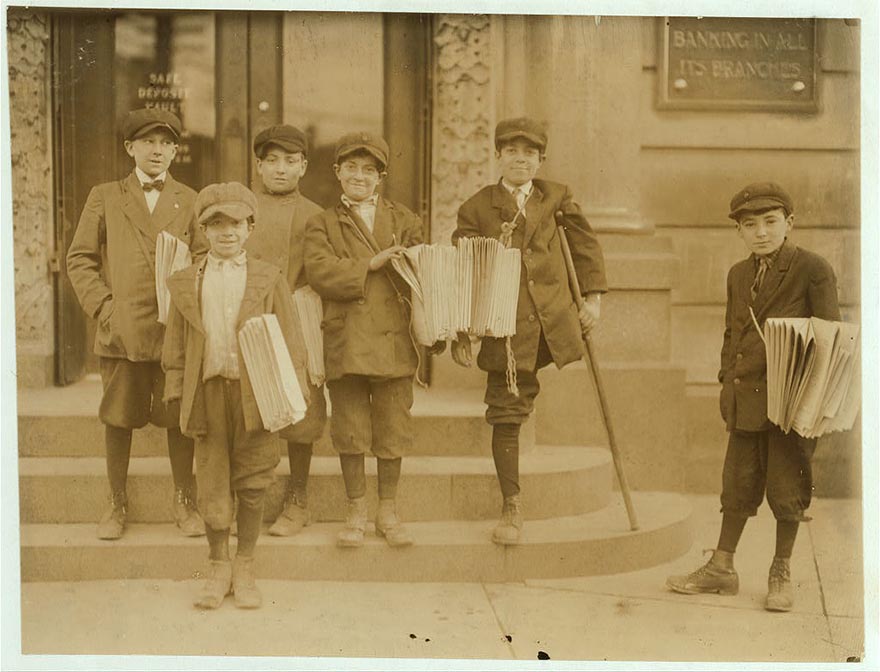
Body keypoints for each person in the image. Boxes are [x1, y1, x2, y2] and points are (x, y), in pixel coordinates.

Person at [666, 182, 841, 612]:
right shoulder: (738, 275)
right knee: (737, 481)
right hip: (747, 398)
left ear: (789, 223)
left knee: (787, 484)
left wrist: (811, 401)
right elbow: (732, 333)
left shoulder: (812, 269)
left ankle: (780, 570)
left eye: (770, 222)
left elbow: (832, 340)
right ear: (739, 232)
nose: (761, 232)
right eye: (750, 225)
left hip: (790, 402)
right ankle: (722, 567)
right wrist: (727, 380)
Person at [451, 117, 607, 545]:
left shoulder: (556, 198)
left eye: (529, 153)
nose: (520, 159)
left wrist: (591, 300)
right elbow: (465, 271)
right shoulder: (477, 207)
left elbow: (585, 247)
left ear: (540, 160)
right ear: (498, 156)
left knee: (519, 401)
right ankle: (512, 503)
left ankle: (512, 496)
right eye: (511, 151)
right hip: (505, 325)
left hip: (551, 320)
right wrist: (463, 331)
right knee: (507, 410)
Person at [162, 181, 310, 609]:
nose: (227, 232)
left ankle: (245, 563)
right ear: (204, 231)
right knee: (211, 479)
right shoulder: (187, 281)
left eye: (236, 224)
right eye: (217, 224)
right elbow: (175, 342)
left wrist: (289, 395)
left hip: (256, 394)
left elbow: (291, 338)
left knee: (252, 479)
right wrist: (177, 389)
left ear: (250, 229)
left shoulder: (268, 277)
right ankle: (217, 564)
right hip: (208, 392)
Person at [66, 107, 205, 540]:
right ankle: (116, 501)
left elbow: (203, 258)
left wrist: (187, 301)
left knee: (178, 418)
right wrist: (105, 308)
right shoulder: (105, 195)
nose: (157, 151)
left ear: (175, 150)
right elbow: (80, 259)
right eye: (148, 142)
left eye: (166, 143)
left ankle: (185, 500)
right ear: (130, 148)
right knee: (119, 417)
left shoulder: (190, 198)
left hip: (172, 334)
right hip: (122, 331)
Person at [304, 131, 424, 548]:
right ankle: (355, 509)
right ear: (337, 173)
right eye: (351, 168)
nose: (359, 176)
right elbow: (319, 271)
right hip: (347, 338)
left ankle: (387, 510)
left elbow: (424, 275)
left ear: (381, 177)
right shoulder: (320, 222)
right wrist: (371, 263)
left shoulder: (406, 220)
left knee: (393, 426)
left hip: (394, 340)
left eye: (369, 170)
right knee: (350, 427)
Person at [246, 124, 326, 536]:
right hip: (250, 318)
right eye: (272, 161)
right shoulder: (240, 210)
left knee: (301, 409)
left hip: (296, 318)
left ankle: (298, 499)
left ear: (303, 167)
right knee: (251, 408)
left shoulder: (316, 214)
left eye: (290, 162)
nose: (280, 169)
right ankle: (252, 496)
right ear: (258, 166)